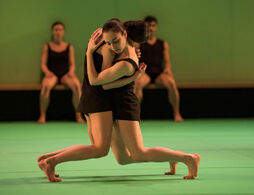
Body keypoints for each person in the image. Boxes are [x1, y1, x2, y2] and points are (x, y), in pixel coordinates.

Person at [38, 19, 200, 182]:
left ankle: (183, 157)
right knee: (113, 153)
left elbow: (103, 83)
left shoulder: (126, 58)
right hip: (99, 97)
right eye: (110, 41)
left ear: (125, 34)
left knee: (124, 155)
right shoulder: (108, 39)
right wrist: (132, 75)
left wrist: (133, 76)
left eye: (115, 41)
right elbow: (101, 82)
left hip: (117, 101)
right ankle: (49, 160)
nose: (112, 45)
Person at [134, 16, 183, 122]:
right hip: (145, 73)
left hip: (158, 73)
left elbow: (167, 61)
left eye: (153, 25)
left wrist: (168, 69)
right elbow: (135, 59)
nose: (151, 28)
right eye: (148, 26)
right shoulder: (139, 43)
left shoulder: (163, 44)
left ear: (155, 27)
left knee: (171, 83)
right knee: (137, 84)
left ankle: (177, 114)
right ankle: (136, 115)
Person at [38, 21, 84, 124]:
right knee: (45, 87)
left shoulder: (69, 46)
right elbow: (43, 64)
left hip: (65, 74)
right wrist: (47, 72)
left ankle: (78, 115)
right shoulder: (47, 46)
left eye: (60, 29)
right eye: (56, 30)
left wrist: (71, 72)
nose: (58, 32)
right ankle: (42, 116)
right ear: (52, 32)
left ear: (63, 32)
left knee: (77, 86)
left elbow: (72, 64)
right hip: (52, 74)